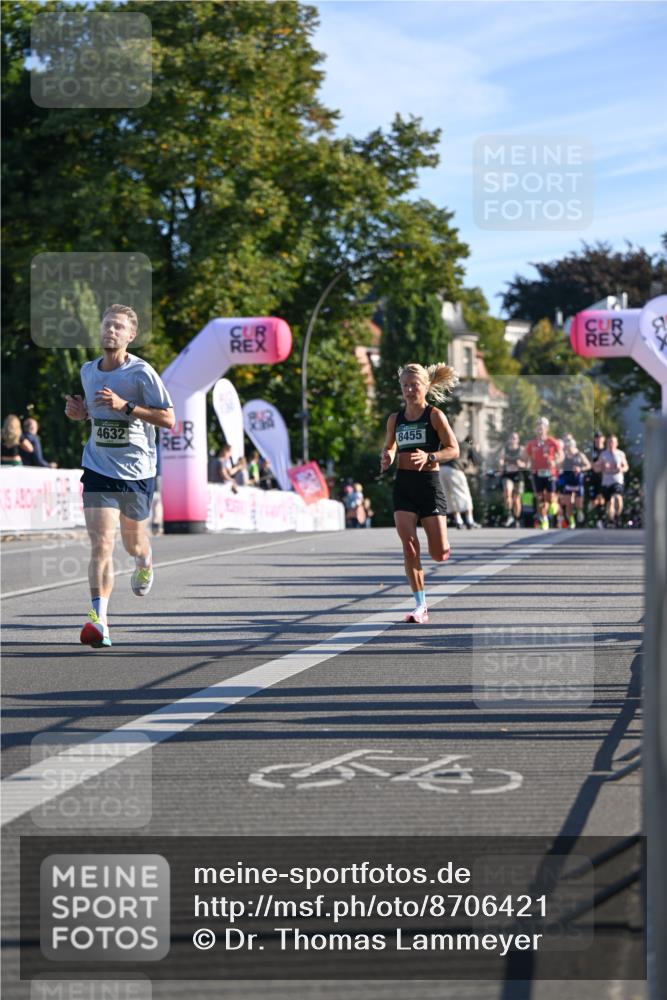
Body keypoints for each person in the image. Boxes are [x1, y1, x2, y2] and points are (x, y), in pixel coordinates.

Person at [65, 304, 174, 649]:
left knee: (132, 544)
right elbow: (94, 417)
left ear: (130, 335)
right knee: (102, 544)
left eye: (118, 327)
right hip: (98, 467)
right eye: (106, 325)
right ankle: (99, 620)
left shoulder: (142, 374)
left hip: (137, 472)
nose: (110, 330)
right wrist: (80, 414)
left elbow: (169, 419)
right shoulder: (88, 370)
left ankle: (144, 559)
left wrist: (125, 406)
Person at [380, 362, 459, 624]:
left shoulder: (435, 415)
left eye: (414, 385)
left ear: (425, 386)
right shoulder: (395, 419)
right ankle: (420, 605)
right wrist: (388, 457)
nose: (410, 390)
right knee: (410, 547)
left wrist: (431, 456)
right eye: (405, 386)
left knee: (438, 553)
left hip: (429, 485)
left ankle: (443, 545)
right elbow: (390, 446)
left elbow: (454, 449)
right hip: (404, 486)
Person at [521, 417, 563, 530]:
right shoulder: (532, 443)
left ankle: (554, 507)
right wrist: (524, 462)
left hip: (550, 472)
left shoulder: (552, 442)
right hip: (537, 473)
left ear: (547, 428)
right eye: (538, 426)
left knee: (550, 497)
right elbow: (525, 457)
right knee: (540, 498)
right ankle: (544, 520)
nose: (540, 428)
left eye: (542, 426)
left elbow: (561, 455)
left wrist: (555, 461)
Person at [594, 434, 629, 528]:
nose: (611, 444)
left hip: (617, 480)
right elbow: (595, 468)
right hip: (606, 482)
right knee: (610, 503)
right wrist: (602, 467)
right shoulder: (603, 455)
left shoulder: (620, 454)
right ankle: (612, 520)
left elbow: (626, 467)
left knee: (617, 498)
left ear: (616, 443)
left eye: (613, 442)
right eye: (609, 442)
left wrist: (621, 469)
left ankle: (617, 516)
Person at [558, 436, 590, 529]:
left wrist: (580, 469)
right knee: (568, 503)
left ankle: (580, 511)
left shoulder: (580, 455)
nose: (569, 448)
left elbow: (588, 465)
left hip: (577, 482)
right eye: (567, 446)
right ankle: (571, 521)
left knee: (578, 503)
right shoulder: (564, 455)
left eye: (570, 446)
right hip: (568, 481)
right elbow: (558, 465)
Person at [498, 431, 525, 527]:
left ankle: (517, 519)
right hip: (508, 475)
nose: (513, 440)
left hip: (518, 476)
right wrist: (501, 465)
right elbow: (501, 459)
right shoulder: (505, 449)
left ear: (518, 440)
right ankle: (509, 515)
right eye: (511, 438)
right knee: (507, 492)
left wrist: (521, 464)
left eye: (515, 438)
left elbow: (526, 463)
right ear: (509, 440)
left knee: (517, 499)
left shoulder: (521, 449)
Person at [587, 430, 606, 527]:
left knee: (601, 498)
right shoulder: (592, 451)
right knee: (592, 500)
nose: (598, 440)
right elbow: (588, 463)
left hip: (603, 478)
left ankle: (599, 519)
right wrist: (594, 466)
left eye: (600, 437)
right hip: (592, 477)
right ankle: (588, 518)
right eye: (596, 438)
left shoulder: (606, 451)